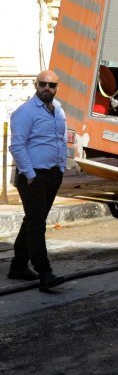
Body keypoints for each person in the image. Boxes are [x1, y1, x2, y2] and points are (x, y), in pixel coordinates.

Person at [7, 70, 68, 291]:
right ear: (36, 85)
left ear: (57, 87)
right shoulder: (25, 112)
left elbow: (61, 139)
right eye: (43, 84)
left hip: (53, 174)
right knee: (37, 224)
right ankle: (45, 272)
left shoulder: (58, 110)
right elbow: (17, 146)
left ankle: (18, 266)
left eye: (51, 85)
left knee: (33, 219)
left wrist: (61, 167)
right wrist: (30, 174)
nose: (47, 89)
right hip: (33, 177)